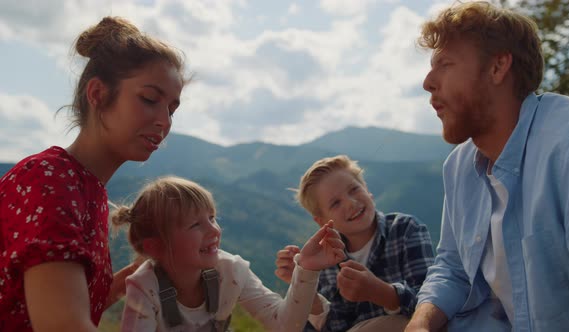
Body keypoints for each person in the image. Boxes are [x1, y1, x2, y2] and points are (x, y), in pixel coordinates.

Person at [405, 2, 569, 331]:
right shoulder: (459, 166)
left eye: (445, 64)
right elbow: (453, 268)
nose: (428, 82)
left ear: (498, 67)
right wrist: (419, 324)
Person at [0, 16, 187, 331]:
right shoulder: (50, 178)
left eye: (172, 109)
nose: (164, 121)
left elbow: (65, 306)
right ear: (98, 94)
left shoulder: (87, 188)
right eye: (150, 99)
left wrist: (133, 276)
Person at [111, 176, 346, 332]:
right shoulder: (144, 287)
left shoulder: (230, 271)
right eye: (195, 225)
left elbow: (285, 325)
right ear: (156, 246)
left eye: (212, 218)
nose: (213, 230)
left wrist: (306, 269)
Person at [275, 155, 435, 331]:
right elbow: (334, 327)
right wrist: (305, 290)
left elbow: (433, 303)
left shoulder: (405, 230)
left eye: (354, 190)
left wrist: (382, 293)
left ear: (367, 189)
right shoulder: (323, 260)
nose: (351, 203)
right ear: (321, 221)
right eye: (335, 203)